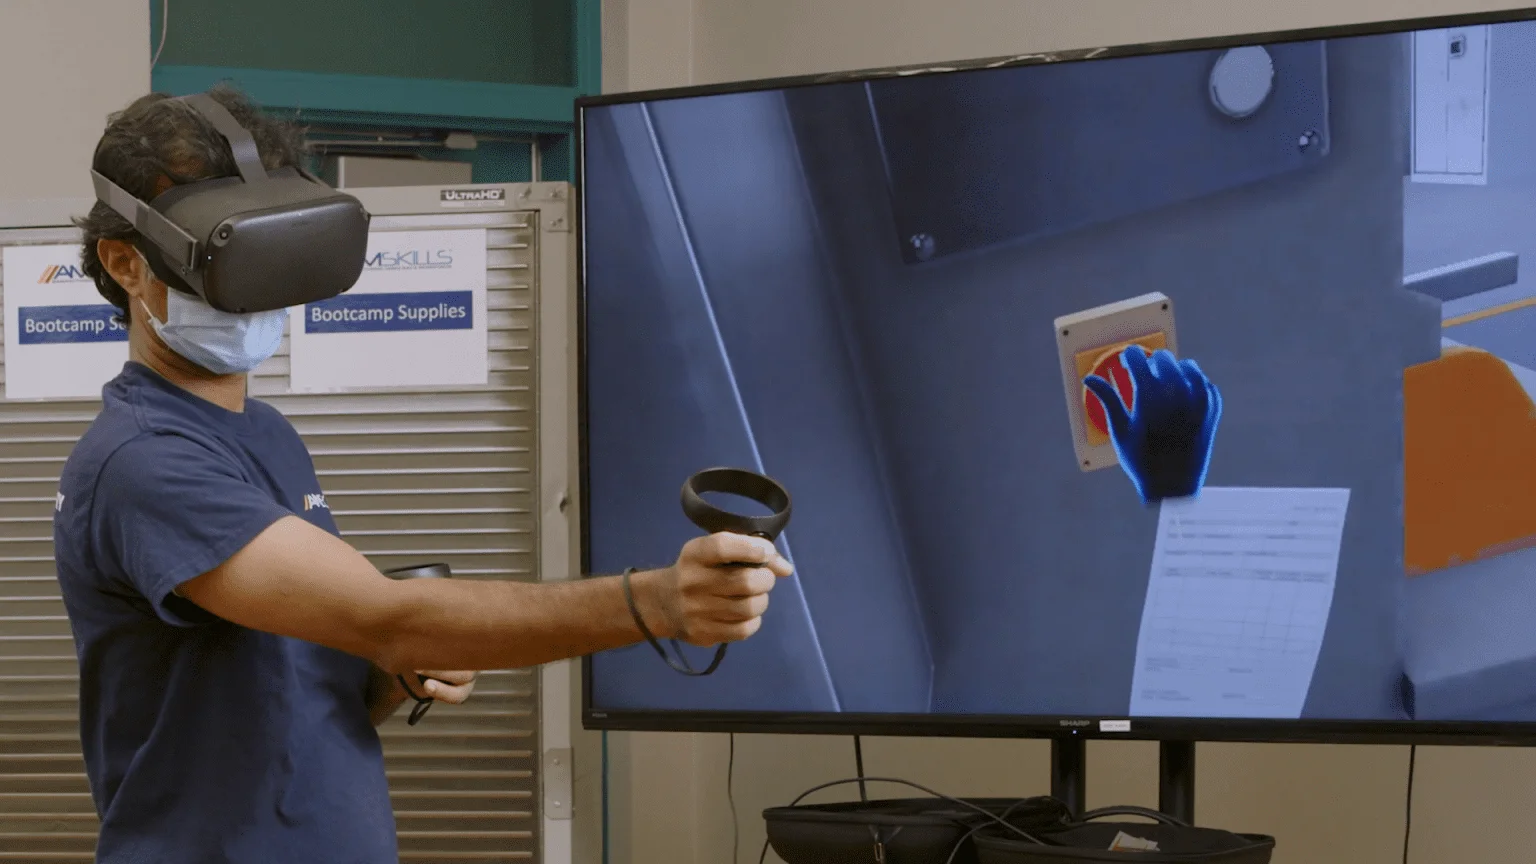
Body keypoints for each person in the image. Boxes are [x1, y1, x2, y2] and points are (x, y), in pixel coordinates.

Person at [53, 86, 793, 864]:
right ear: (126, 264)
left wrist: (396, 676)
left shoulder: (265, 434)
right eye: (217, 255)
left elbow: (314, 686)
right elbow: (387, 619)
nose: (250, 290)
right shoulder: (142, 462)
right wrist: (658, 602)